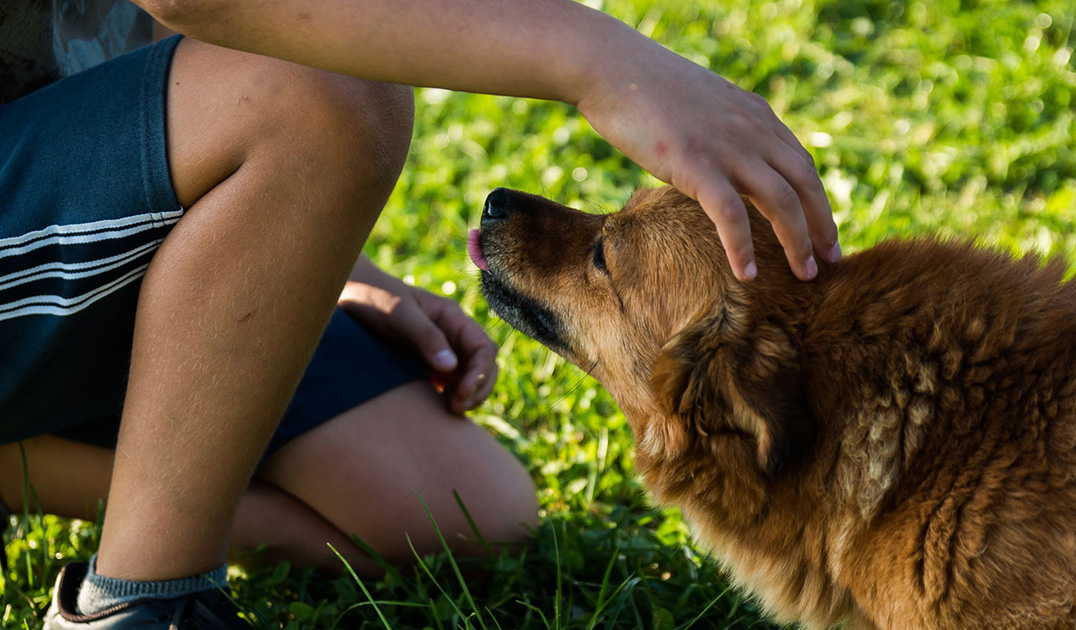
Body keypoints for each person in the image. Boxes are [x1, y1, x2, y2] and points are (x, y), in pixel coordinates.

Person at [0, 0, 839, 628]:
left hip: (66, 209)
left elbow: (161, 39)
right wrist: (601, 61)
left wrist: (308, 255)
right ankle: (147, 603)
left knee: (458, 512)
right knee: (330, 93)